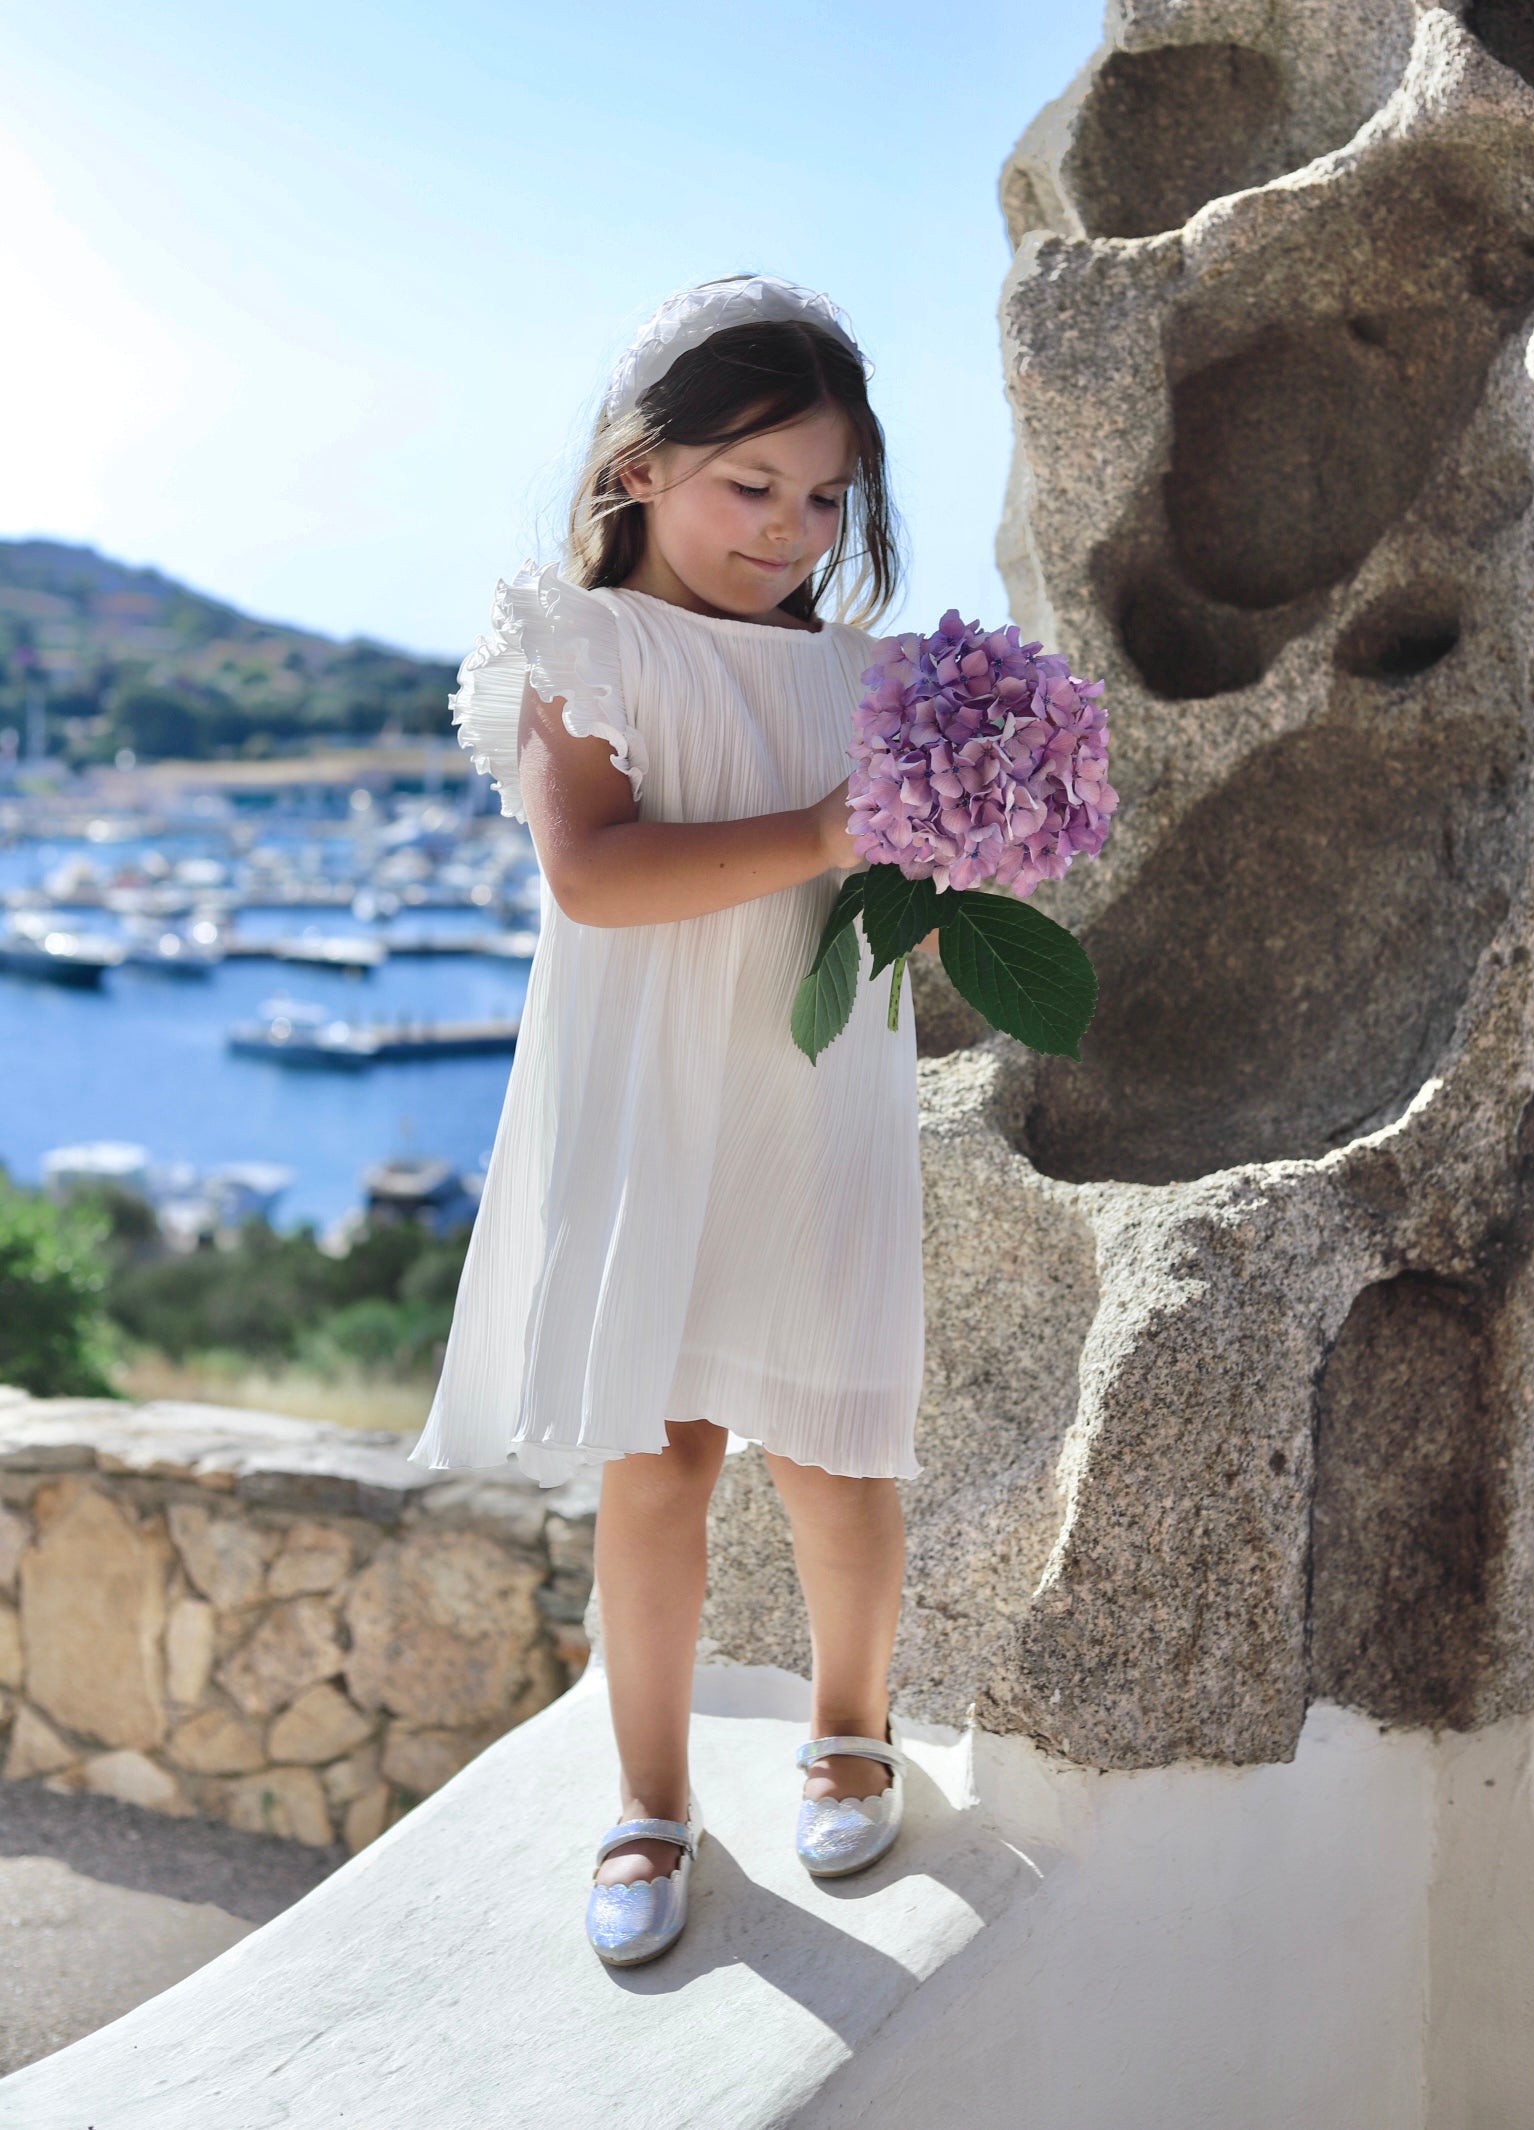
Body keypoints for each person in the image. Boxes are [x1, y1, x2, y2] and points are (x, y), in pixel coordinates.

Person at [406, 275, 925, 1967]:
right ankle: (650, 1794)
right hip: (652, 1101)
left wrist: (964, 845)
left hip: (815, 1089)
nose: (792, 529)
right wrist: (842, 824)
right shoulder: (586, 644)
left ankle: (855, 1724)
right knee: (662, 1458)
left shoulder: (862, 676)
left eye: (827, 494)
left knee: (842, 1447)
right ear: (638, 467)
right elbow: (599, 874)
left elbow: (891, 882)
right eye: (751, 485)